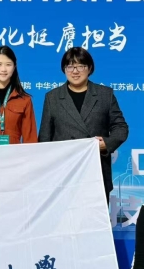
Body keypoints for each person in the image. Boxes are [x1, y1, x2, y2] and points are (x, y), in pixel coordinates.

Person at [38, 47, 128, 202]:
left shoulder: (105, 94)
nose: (75, 71)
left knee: (95, 216)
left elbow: (121, 128)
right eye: (70, 66)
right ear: (64, 69)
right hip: (63, 174)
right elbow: (45, 138)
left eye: (80, 66)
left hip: (96, 170)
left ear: (90, 68)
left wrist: (106, 144)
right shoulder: (52, 97)